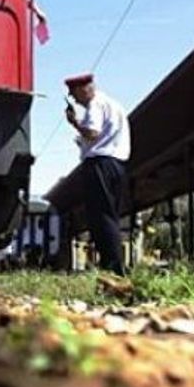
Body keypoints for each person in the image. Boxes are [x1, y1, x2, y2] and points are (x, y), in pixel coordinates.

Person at [64, 73, 130, 276]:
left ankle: (112, 268)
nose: (74, 99)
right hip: (116, 164)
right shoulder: (114, 105)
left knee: (100, 216)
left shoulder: (95, 105)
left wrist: (74, 123)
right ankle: (115, 265)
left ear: (83, 89)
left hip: (100, 164)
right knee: (110, 215)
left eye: (74, 94)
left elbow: (93, 132)